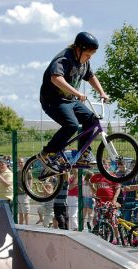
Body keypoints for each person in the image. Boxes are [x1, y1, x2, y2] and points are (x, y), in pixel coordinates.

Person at [37, 32, 109, 171]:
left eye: (91, 55)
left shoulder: (84, 61)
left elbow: (91, 76)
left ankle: (82, 154)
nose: (89, 58)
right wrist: (77, 93)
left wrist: (102, 92)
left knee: (92, 120)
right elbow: (55, 78)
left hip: (70, 101)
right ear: (78, 49)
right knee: (72, 125)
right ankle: (48, 153)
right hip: (53, 101)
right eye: (87, 54)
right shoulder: (64, 58)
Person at [17, 158, 31, 225]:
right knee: (20, 212)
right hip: (17, 194)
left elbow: (30, 180)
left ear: (24, 163)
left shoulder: (27, 171)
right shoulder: (16, 172)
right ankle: (21, 226)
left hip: (24, 194)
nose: (20, 164)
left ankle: (27, 226)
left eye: (21, 162)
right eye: (19, 162)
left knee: (26, 212)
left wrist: (29, 191)